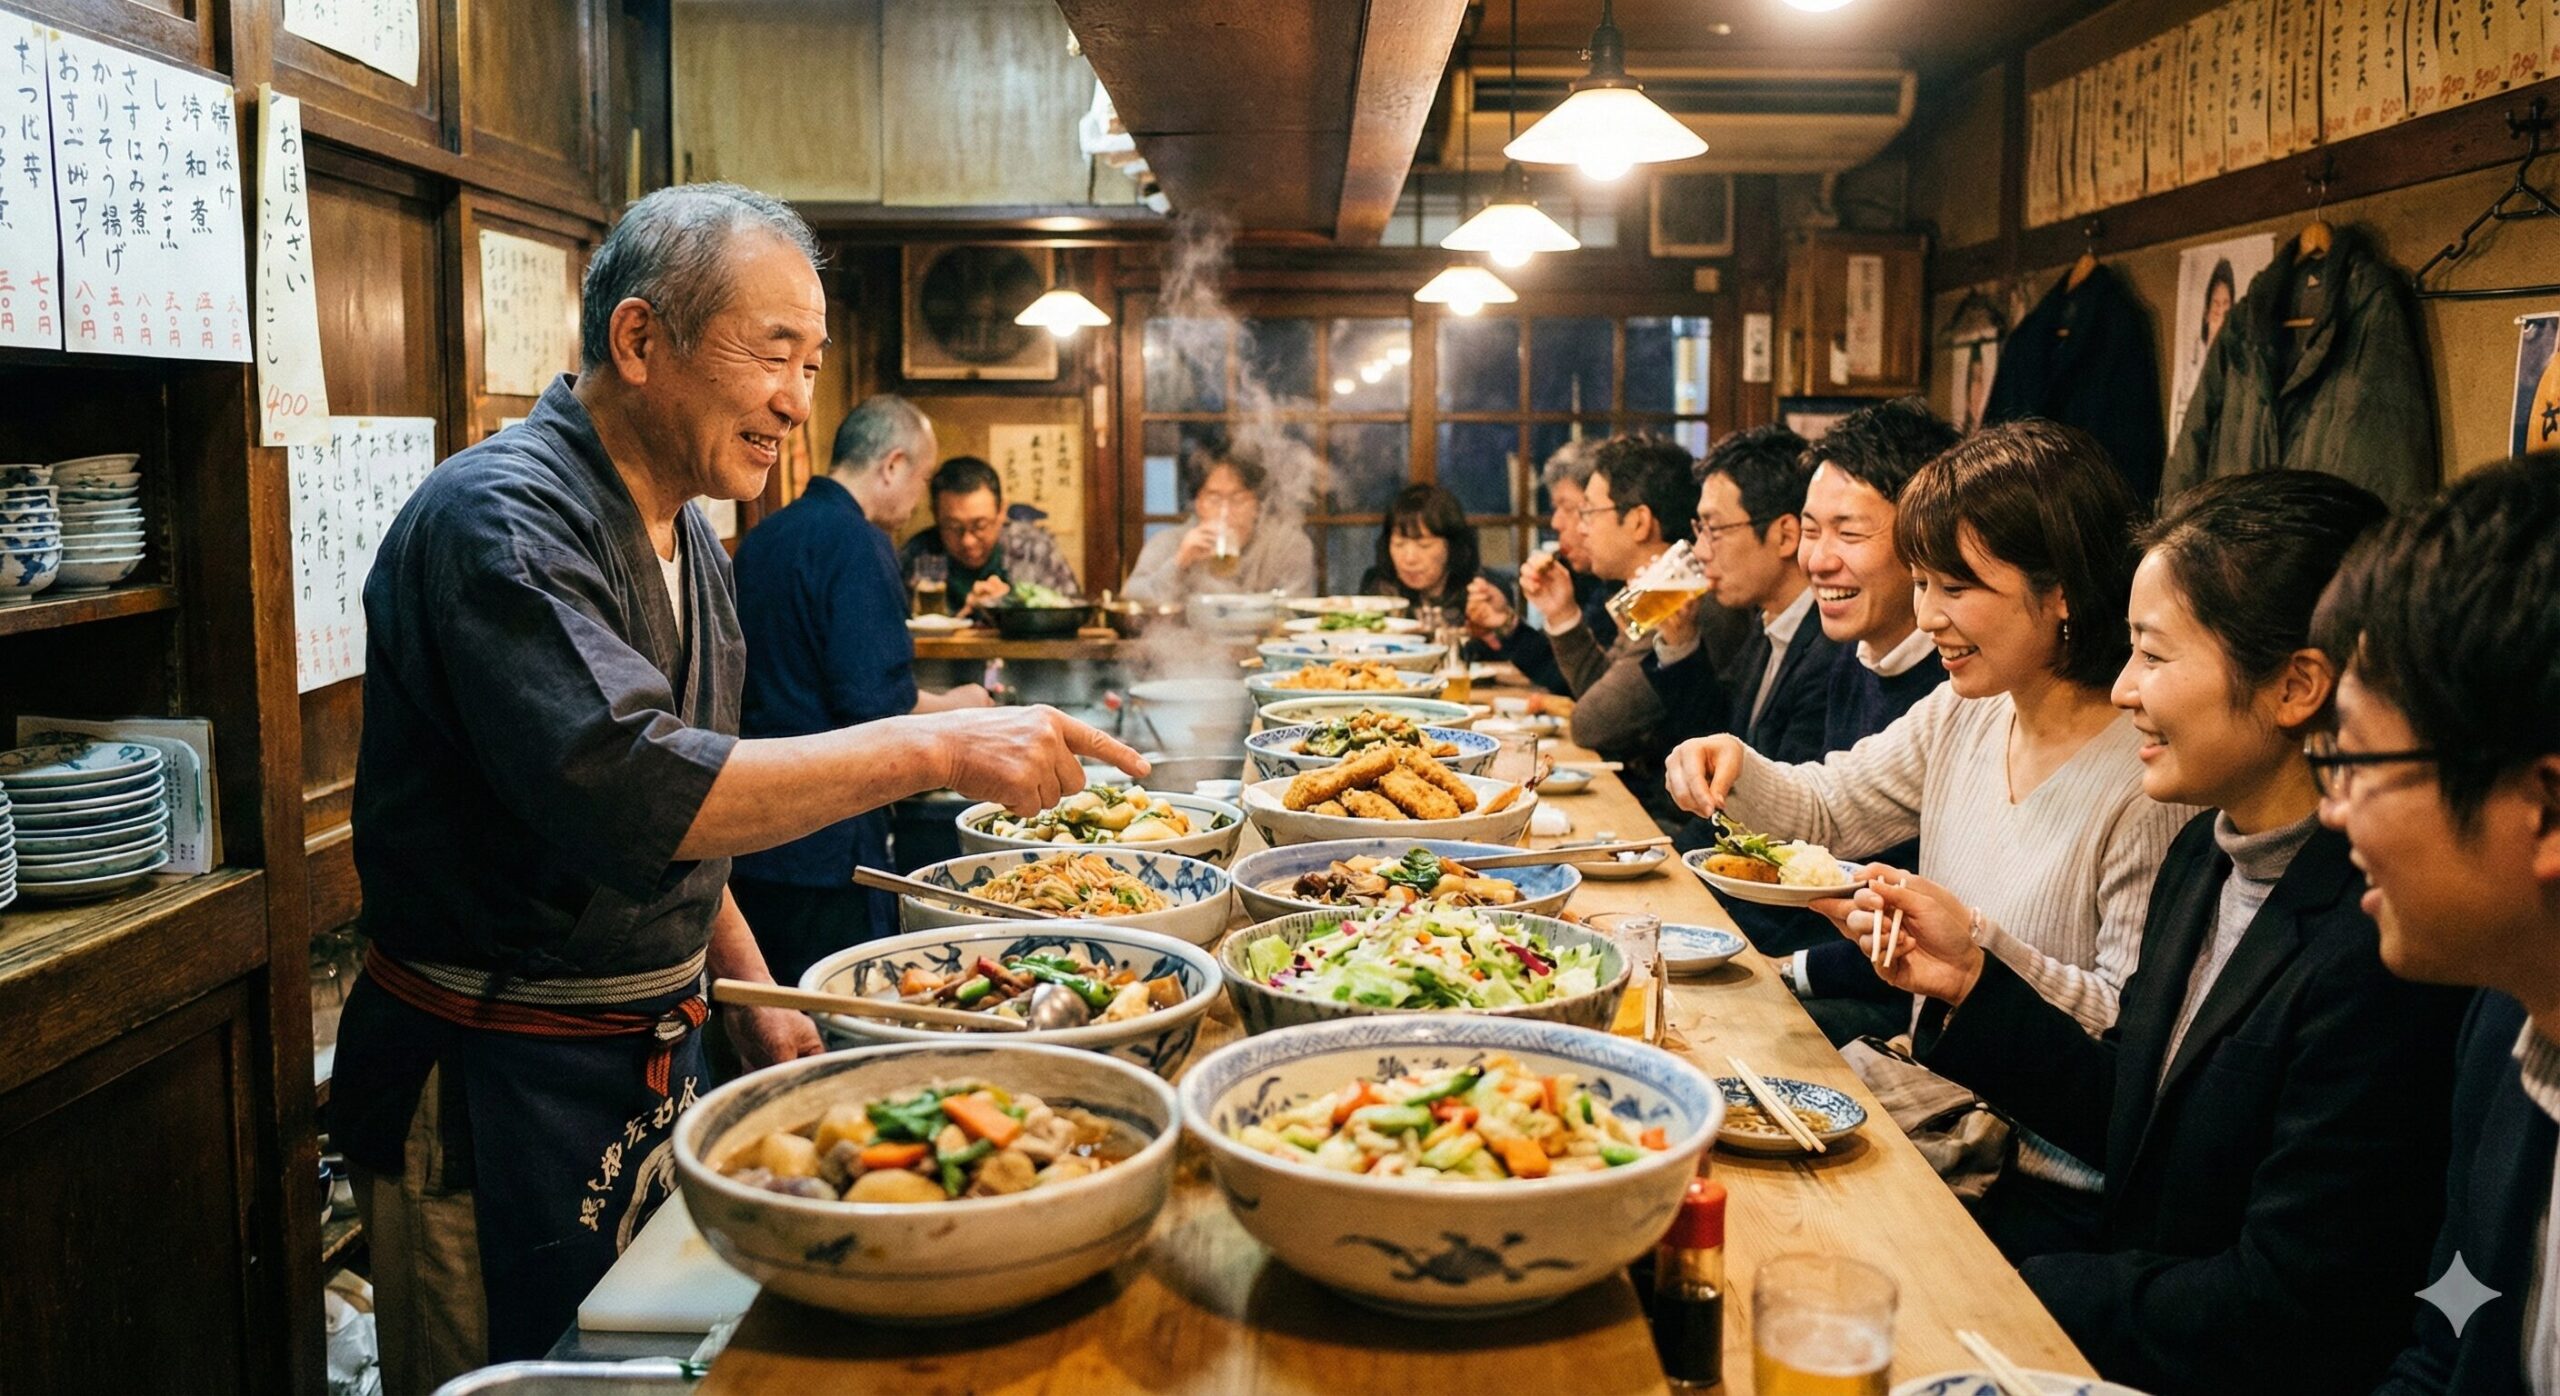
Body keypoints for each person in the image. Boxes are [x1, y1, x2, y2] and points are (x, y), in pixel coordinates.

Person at [334, 184, 1144, 1392]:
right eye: (774, 353)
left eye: (810, 363)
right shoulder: (498, 523)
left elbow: (692, 803)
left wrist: (755, 988)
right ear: (641, 340)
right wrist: (935, 747)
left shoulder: (693, 535)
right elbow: (638, 785)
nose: (796, 401)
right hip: (495, 1082)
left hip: (651, 1052)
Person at [1843, 472, 2464, 1395]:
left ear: (2297, 686)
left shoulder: (2379, 937)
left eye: (2154, 656)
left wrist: (2013, 1290)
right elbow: (2130, 1110)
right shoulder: (2207, 856)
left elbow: (2290, 1306)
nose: (2124, 688)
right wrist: (1971, 979)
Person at [1667, 419, 2197, 1233]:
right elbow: (1832, 806)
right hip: (1935, 1106)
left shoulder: (2145, 778)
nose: (1931, 616)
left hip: (2037, 1173)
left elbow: (2130, 1026)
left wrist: (1972, 949)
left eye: (1959, 587)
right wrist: (1734, 764)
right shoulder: (1965, 710)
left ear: (2060, 592)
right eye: (1922, 583)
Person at [2324, 461, 2560, 1396]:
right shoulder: (2505, 1021)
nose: (2332, 811)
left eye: (2354, 760)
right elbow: (2445, 1344)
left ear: (2544, 808)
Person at [1686, 401, 1959, 1045]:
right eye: (1812, 530)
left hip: (1907, 1009)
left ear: (1926, 538)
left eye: (1849, 533)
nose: (1819, 560)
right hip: (1842, 966)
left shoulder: (1958, 688)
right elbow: (1822, 816)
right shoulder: (1852, 651)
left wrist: (1788, 971)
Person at [730, 396, 1000, 990]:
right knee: (837, 1015)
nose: (915, 499)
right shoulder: (858, 543)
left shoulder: (762, 538)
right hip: (829, 839)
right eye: (923, 478)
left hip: (748, 829)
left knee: (769, 1015)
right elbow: (876, 703)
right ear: (893, 465)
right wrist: (961, 705)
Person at [1514, 435, 1726, 815]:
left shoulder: (1681, 597)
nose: (1579, 529)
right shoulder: (1650, 589)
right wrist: (1562, 615)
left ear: (1639, 521)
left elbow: (1593, 721)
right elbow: (1603, 689)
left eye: (1588, 513)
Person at [1648, 423, 1840, 764]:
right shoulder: (1768, 621)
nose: (1701, 550)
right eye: (1699, 529)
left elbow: (1772, 802)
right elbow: (1717, 741)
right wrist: (1680, 642)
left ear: (1785, 536)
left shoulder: (1830, 652)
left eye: (1715, 529)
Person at [1466, 438, 1619, 694]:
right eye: (1554, 508)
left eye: (1569, 508)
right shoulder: (1579, 575)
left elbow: (1603, 698)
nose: (1556, 523)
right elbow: (1563, 674)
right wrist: (1506, 624)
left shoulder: (1632, 587)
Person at [1121, 432, 1314, 603]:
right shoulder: (1171, 543)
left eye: (1238, 499)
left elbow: (1298, 611)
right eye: (1214, 499)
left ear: (1257, 505)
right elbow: (1131, 605)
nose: (1225, 512)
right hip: (1187, 643)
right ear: (1198, 503)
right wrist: (1179, 564)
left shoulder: (1287, 545)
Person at [897, 453, 1081, 617]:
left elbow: (1073, 618)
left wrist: (1011, 606)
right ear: (935, 515)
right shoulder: (917, 555)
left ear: (1001, 512)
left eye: (980, 525)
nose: (967, 541)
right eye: (953, 527)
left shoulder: (1034, 549)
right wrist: (963, 617)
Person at [1357, 482, 1509, 621]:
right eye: (1399, 544)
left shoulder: (1485, 590)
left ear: (1452, 546)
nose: (1409, 558)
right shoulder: (1377, 585)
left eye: (1424, 545)